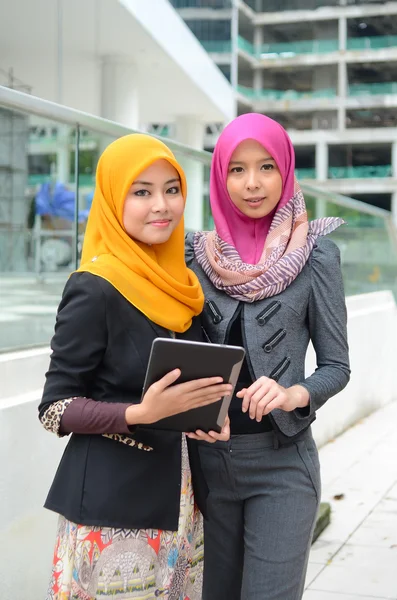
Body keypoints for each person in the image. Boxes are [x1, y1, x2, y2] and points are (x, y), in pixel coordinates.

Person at [38, 133, 232, 600]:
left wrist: (207, 416)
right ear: (112, 199)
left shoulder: (184, 286)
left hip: (182, 501)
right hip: (113, 511)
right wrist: (138, 414)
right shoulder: (95, 286)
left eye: (171, 188)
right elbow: (53, 408)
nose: (161, 205)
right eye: (141, 191)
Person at [185, 113, 351, 600]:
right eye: (236, 169)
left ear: (286, 171)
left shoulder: (317, 255)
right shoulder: (197, 256)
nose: (252, 184)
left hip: (281, 467)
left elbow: (337, 366)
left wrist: (292, 392)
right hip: (208, 467)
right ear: (219, 176)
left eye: (265, 167)